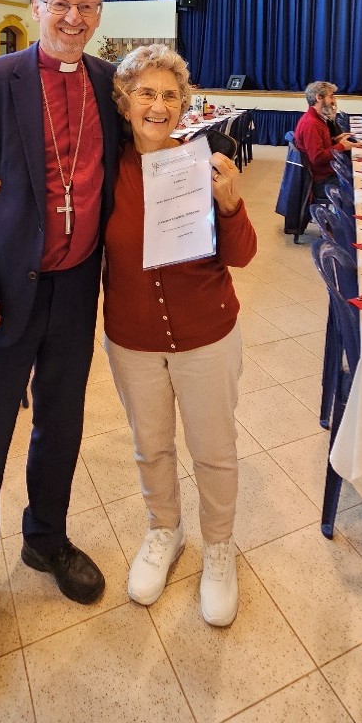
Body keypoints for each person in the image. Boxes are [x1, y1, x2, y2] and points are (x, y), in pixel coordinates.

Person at [0, 0, 121, 607]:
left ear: (99, 13)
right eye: (61, 4)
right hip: (3, 292)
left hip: (75, 288)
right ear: (37, 7)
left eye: (86, 6)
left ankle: (44, 537)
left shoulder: (108, 82)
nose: (73, 18)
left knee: (61, 424)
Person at [104, 45, 256, 627]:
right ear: (124, 100)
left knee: (214, 450)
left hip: (207, 333)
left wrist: (232, 205)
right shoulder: (105, 171)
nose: (158, 105)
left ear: (183, 105)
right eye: (146, 92)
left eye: (170, 95)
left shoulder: (203, 164)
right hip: (133, 337)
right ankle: (162, 530)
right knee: (152, 445)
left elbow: (242, 256)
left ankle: (219, 547)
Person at [293, 80, 356, 200]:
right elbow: (317, 158)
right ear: (318, 98)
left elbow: (320, 147)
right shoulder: (312, 124)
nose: (334, 100)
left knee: (358, 178)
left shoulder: (317, 119)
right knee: (359, 189)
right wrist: (341, 146)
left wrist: (335, 141)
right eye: (331, 96)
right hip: (321, 183)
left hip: (326, 175)